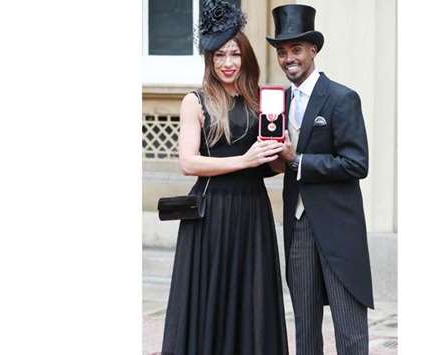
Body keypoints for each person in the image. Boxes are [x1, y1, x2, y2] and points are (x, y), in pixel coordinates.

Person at [159, 1, 288, 354]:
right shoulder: (195, 101)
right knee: (211, 297)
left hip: (252, 213)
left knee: (251, 296)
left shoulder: (260, 100)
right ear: (209, 60)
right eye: (219, 55)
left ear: (245, 56)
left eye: (234, 54)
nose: (228, 63)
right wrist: (244, 160)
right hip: (211, 214)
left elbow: (271, 168)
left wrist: (283, 153)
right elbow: (189, 162)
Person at [266, 4, 374, 355]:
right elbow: (276, 164)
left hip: (338, 228)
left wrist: (296, 160)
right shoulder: (276, 102)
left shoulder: (342, 98)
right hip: (297, 227)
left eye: (296, 50)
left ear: (313, 50)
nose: (288, 59)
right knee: (305, 327)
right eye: (282, 52)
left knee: (349, 329)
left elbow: (356, 163)